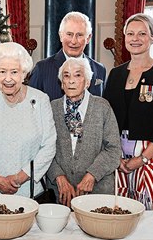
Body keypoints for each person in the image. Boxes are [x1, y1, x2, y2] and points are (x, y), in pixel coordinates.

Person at [103, 13, 153, 210]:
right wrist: (114, 156)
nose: (135, 39)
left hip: (151, 154)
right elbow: (106, 118)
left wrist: (142, 158)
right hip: (118, 154)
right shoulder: (115, 74)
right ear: (125, 38)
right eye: (130, 34)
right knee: (119, 211)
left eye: (142, 34)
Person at [0, 42, 56, 197]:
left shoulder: (41, 99)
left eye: (14, 72)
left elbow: (48, 147)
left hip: (28, 190)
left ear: (24, 74)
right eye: (2, 71)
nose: (8, 78)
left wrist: (18, 178)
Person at [48, 57, 121, 207]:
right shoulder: (51, 108)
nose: (71, 81)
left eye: (78, 75)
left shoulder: (102, 107)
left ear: (87, 82)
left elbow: (113, 150)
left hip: (98, 191)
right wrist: (59, 177)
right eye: (66, 76)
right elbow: (43, 149)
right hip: (61, 194)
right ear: (62, 83)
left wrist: (92, 175)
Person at [29, 11, 106, 101]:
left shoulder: (100, 70)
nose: (73, 41)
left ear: (88, 38)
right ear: (61, 36)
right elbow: (30, 106)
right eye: (69, 34)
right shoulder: (42, 68)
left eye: (79, 35)